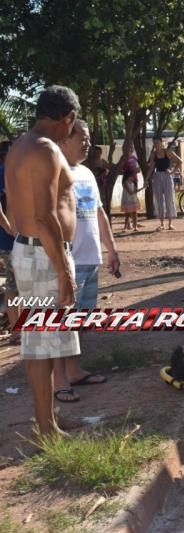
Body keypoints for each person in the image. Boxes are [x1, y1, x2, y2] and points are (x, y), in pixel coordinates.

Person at [4, 85, 82, 437]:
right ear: (67, 119)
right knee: (40, 344)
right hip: (43, 254)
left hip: (32, 250)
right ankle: (45, 427)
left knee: (45, 342)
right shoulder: (46, 150)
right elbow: (47, 216)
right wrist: (65, 272)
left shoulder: (20, 146)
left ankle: (46, 419)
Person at [51, 120, 121, 402]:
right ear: (65, 139)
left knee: (80, 321)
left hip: (90, 259)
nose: (88, 143)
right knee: (62, 323)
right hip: (69, 260)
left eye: (89, 138)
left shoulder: (87, 173)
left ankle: (75, 371)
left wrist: (111, 249)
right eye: (83, 138)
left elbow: (99, 214)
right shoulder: (54, 171)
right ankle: (59, 381)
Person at [0, 141, 20, 344]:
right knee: (14, 284)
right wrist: (9, 228)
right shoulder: (3, 172)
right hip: (10, 240)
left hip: (21, 238)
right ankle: (16, 331)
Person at [145, 137, 181, 231]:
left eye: (157, 143)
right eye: (154, 143)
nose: (156, 145)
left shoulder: (167, 152)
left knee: (169, 199)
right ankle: (161, 223)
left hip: (167, 176)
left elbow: (179, 161)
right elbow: (151, 167)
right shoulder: (154, 154)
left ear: (161, 143)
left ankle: (170, 223)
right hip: (157, 176)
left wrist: (172, 172)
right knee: (159, 200)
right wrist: (146, 179)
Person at [121, 157, 144, 231]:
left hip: (132, 199)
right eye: (132, 176)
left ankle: (135, 226)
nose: (133, 177)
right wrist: (140, 189)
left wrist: (142, 188)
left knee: (134, 212)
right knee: (127, 214)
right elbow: (131, 192)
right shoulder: (125, 183)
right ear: (129, 176)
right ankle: (126, 226)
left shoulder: (132, 183)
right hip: (128, 199)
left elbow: (134, 191)